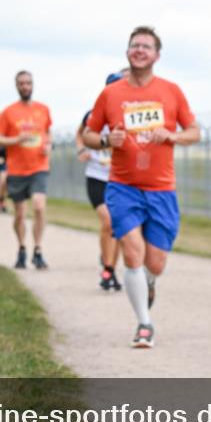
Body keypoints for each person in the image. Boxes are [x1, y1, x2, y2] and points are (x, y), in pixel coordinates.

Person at [83, 26, 200, 347]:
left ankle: (149, 282)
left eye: (146, 46)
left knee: (155, 262)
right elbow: (88, 134)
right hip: (123, 186)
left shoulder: (171, 91)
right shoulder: (110, 94)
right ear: (127, 52)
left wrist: (172, 135)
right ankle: (144, 324)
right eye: (135, 45)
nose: (139, 50)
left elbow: (194, 131)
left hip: (161, 188)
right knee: (133, 252)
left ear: (156, 55)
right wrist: (107, 140)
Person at [0, 71, 53, 269]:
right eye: (21, 83)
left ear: (32, 85)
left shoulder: (43, 109)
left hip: (39, 166)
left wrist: (48, 145)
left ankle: (38, 249)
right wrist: (16, 139)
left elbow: (48, 132)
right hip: (17, 169)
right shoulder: (8, 112)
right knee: (20, 214)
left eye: (28, 83)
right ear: (16, 86)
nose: (25, 86)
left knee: (39, 206)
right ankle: (21, 248)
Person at [77, 70, 129, 292]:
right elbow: (81, 133)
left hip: (119, 177)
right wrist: (82, 149)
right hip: (97, 176)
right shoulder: (94, 114)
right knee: (108, 221)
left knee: (117, 227)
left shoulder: (129, 116)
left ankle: (110, 269)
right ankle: (108, 266)